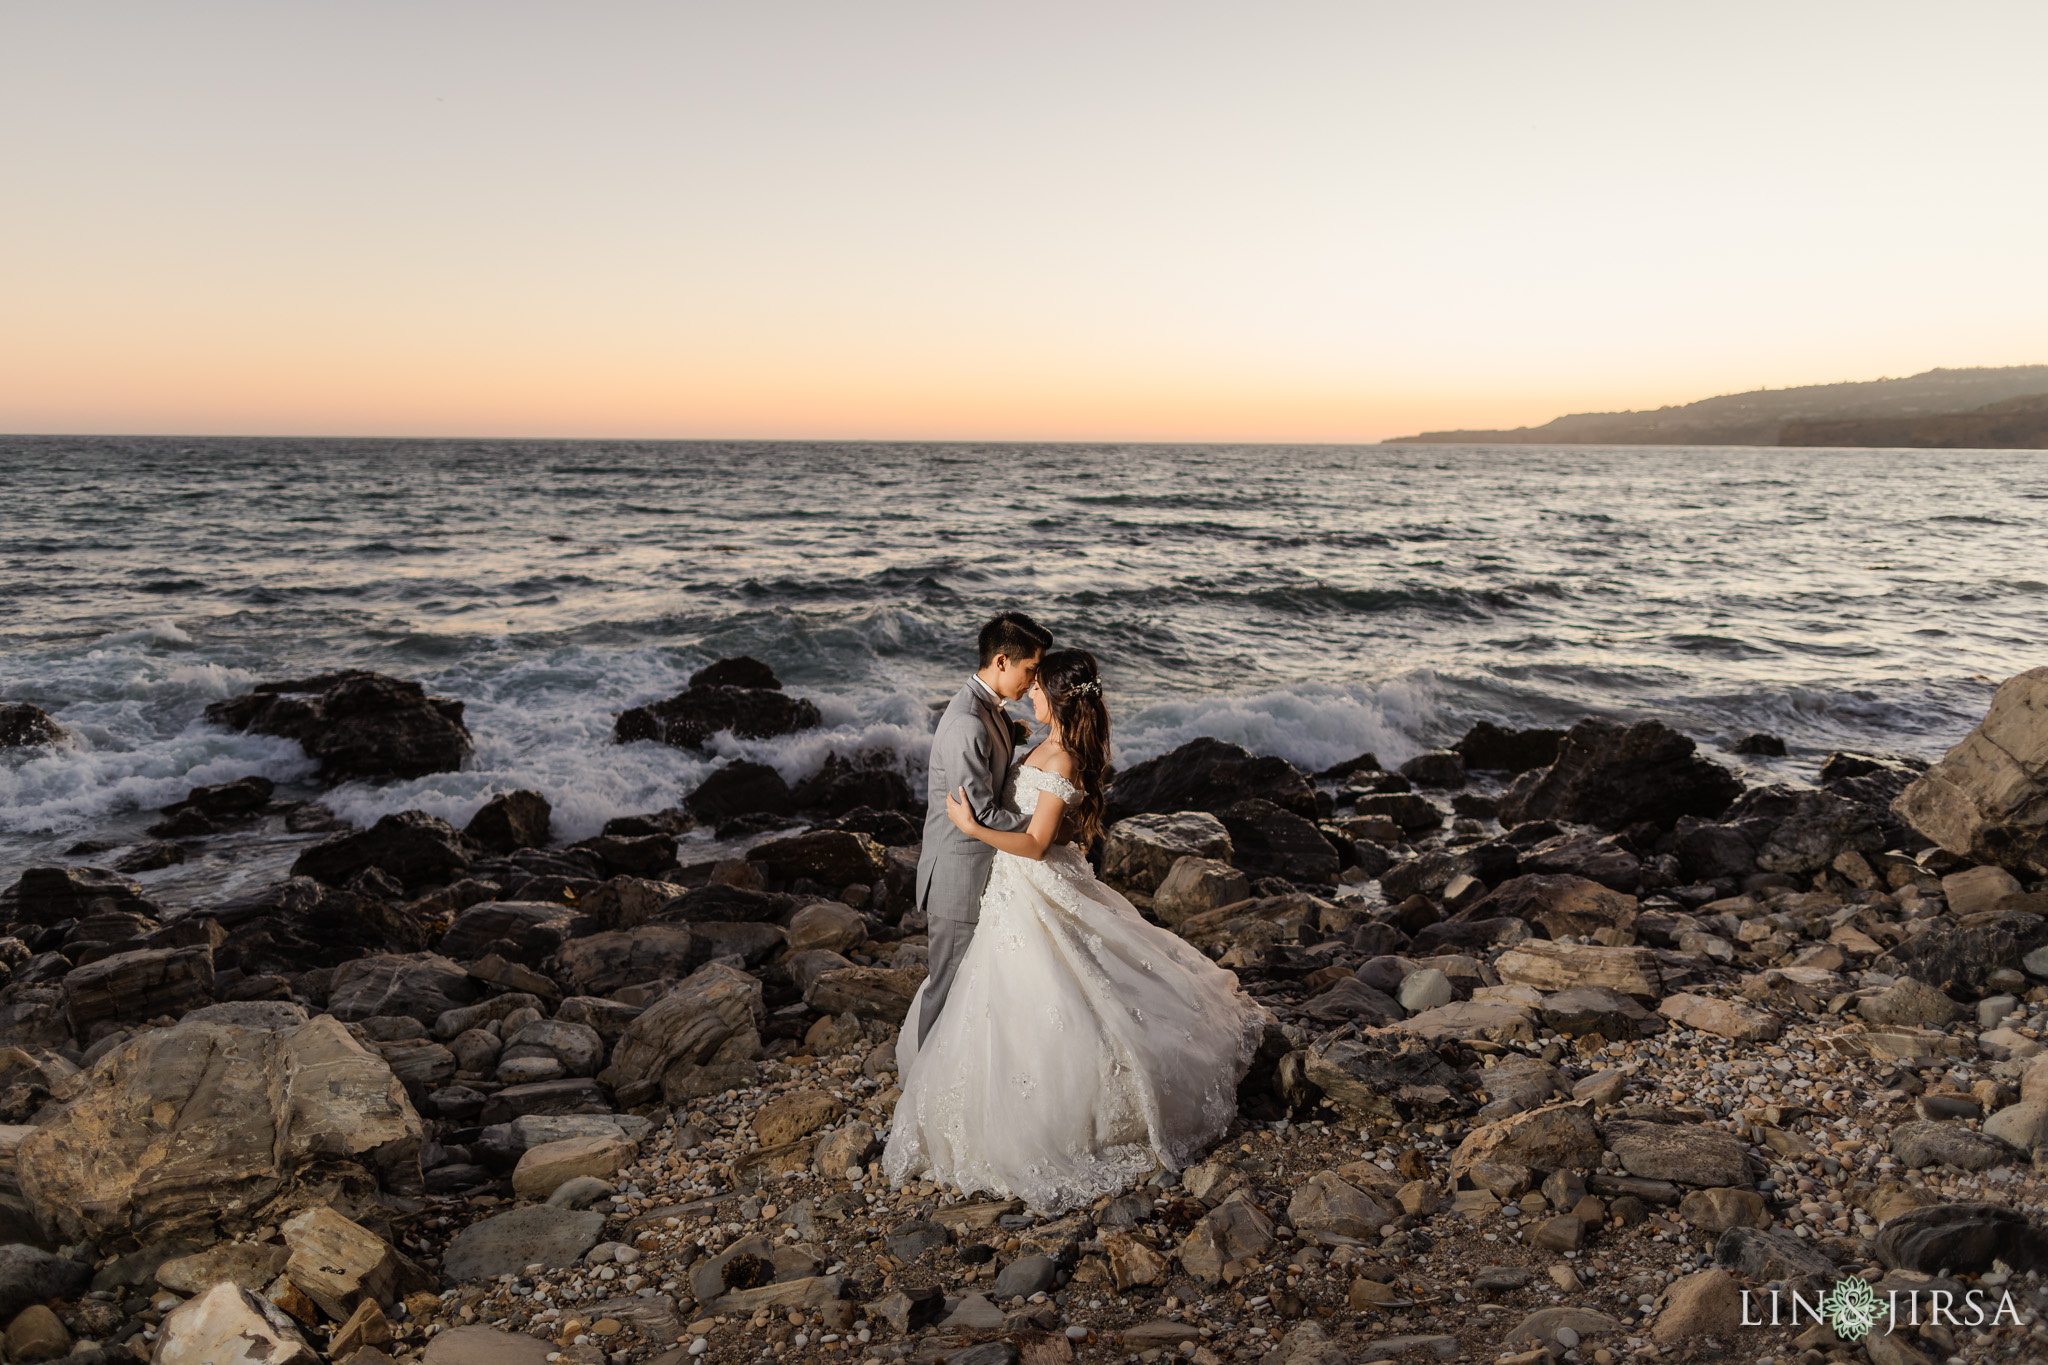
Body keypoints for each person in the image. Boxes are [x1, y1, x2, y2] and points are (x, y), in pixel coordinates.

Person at [884, 648, 1269, 1213]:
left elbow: (1037, 844)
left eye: (1037, 690)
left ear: (1059, 699)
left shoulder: (1062, 758)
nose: (1029, 695)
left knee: (1067, 989)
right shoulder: (1047, 743)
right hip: (1016, 889)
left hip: (1033, 878)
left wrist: (971, 826)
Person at [913, 610, 1053, 1045]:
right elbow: (981, 815)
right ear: (1000, 662)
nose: (1033, 683)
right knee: (947, 989)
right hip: (958, 877)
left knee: (971, 988)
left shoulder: (988, 709)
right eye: (1030, 671)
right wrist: (1049, 825)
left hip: (979, 870)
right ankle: (920, 1091)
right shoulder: (967, 723)